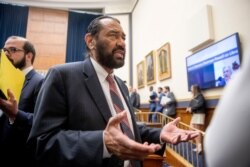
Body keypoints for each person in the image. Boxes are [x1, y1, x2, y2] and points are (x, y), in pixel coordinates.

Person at [27, 15, 200, 167]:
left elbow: (126, 129)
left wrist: (160, 133)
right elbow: (42, 142)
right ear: (90, 41)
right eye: (113, 35)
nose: (122, 43)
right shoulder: (62, 76)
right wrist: (102, 143)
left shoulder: (120, 84)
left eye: (123, 37)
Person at [0, 36, 44, 166]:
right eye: (4, 50)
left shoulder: (40, 82)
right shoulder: (3, 80)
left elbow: (41, 121)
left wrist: (15, 114)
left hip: (20, 156)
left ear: (28, 56)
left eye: (12, 50)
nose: (6, 54)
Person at [204, 57, 250, 167]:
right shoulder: (221, 82)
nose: (225, 73)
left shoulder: (236, 84)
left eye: (227, 71)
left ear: (230, 72)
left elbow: (220, 156)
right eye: (223, 71)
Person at [186, 84, 206, 154]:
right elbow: (191, 105)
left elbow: (200, 104)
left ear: (195, 89)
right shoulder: (194, 97)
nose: (190, 90)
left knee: (197, 132)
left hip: (199, 115)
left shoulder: (200, 96)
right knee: (192, 130)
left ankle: (199, 148)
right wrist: (189, 108)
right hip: (195, 115)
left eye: (191, 89)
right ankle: (198, 146)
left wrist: (191, 108)